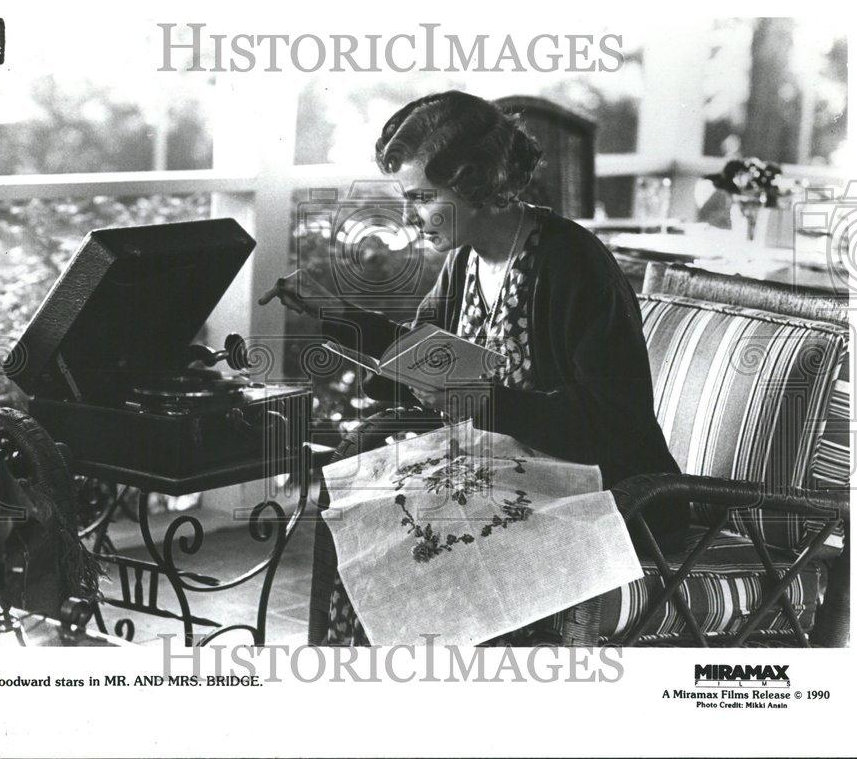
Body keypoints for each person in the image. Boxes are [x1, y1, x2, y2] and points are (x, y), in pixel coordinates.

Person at [259, 91, 685, 645]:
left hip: (612, 493)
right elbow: (422, 362)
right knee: (359, 469)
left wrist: (477, 400)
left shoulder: (570, 262)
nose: (412, 216)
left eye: (424, 198)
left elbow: (614, 425)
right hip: (510, 470)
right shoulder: (464, 262)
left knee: (416, 517)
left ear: (477, 184)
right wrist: (338, 313)